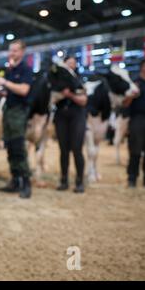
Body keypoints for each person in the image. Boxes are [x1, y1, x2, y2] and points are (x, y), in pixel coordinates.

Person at [0, 40, 33, 199]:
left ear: (22, 52)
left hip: (18, 112)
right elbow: (9, 91)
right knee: (9, 146)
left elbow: (24, 90)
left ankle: (26, 182)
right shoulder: (10, 69)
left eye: (15, 51)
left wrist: (5, 82)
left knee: (18, 147)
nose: (12, 53)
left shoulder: (25, 70)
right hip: (8, 110)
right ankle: (15, 180)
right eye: (10, 50)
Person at [53, 56, 88, 193]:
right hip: (61, 115)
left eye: (73, 63)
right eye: (68, 63)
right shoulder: (57, 82)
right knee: (63, 150)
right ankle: (64, 180)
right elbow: (52, 99)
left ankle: (79, 181)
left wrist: (70, 95)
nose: (71, 65)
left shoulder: (79, 81)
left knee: (77, 149)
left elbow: (84, 101)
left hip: (77, 116)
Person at [123, 58, 145, 188]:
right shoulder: (134, 83)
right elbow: (125, 103)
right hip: (138, 119)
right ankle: (132, 178)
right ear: (144, 67)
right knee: (135, 150)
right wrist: (131, 96)